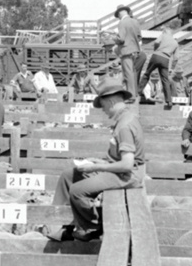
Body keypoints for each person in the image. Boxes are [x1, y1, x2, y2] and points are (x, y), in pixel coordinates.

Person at [47, 78, 145, 242]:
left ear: (112, 101)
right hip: (120, 170)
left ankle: (93, 226)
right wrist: (98, 162)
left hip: (128, 176)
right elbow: (120, 158)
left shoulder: (124, 126)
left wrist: (96, 167)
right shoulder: (123, 120)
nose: (103, 110)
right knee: (68, 175)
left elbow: (127, 164)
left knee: (77, 190)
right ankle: (60, 223)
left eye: (104, 105)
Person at [138, 25, 177, 108]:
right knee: (165, 80)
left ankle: (138, 93)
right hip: (166, 59)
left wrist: (156, 50)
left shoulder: (163, 35)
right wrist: (172, 68)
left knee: (147, 74)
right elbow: (176, 58)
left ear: (165, 32)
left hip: (156, 56)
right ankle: (169, 100)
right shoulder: (175, 42)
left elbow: (156, 42)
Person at [112, 4, 142, 102]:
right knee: (133, 73)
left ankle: (131, 96)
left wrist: (114, 39)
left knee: (128, 73)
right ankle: (134, 94)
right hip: (135, 51)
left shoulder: (122, 23)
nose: (118, 17)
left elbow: (121, 39)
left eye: (118, 15)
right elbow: (139, 37)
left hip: (126, 51)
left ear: (121, 12)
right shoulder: (135, 21)